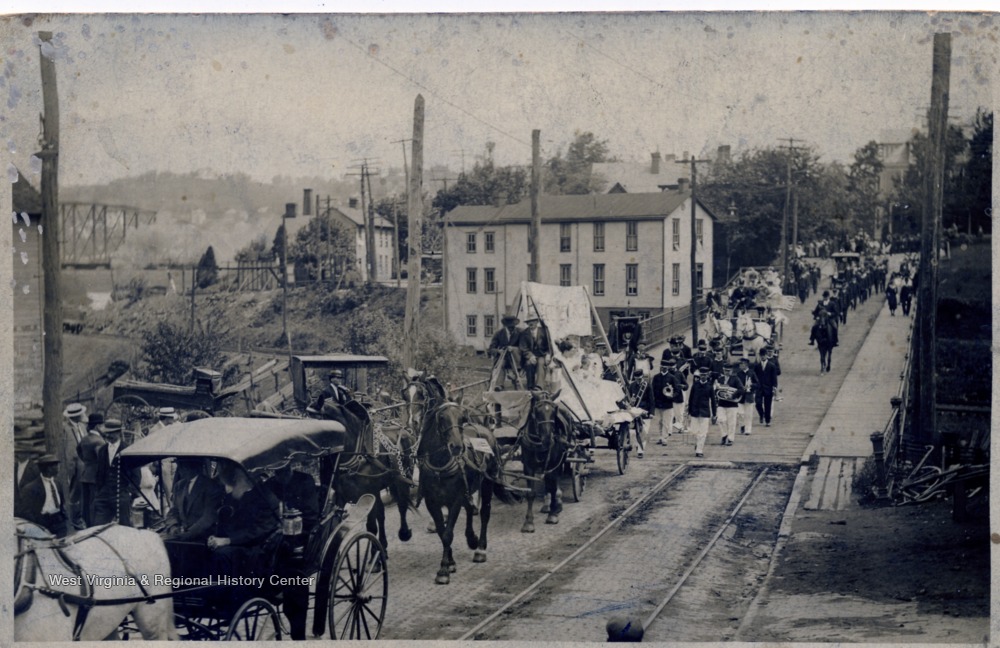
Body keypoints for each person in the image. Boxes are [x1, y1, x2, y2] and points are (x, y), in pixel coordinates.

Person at [266, 464, 320, 641]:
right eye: (277, 470)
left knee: (293, 567)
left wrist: (290, 523)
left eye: (283, 470)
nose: (280, 474)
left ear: (289, 467)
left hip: (301, 535)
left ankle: (298, 632)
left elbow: (312, 515)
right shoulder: (269, 485)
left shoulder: (305, 481)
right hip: (275, 534)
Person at [208, 460, 281, 579]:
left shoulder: (266, 498)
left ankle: (225, 594)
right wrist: (216, 538)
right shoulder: (247, 494)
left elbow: (257, 532)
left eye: (236, 479)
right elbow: (235, 524)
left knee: (221, 555)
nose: (233, 483)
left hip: (258, 549)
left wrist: (226, 540)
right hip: (244, 544)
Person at [160, 458, 225, 542]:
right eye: (180, 466)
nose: (179, 469)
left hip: (202, 536)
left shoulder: (211, 486)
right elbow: (173, 511)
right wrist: (173, 527)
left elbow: (208, 517)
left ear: (193, 467)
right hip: (180, 534)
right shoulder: (179, 486)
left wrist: (189, 533)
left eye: (182, 466)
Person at [90, 420, 141, 526]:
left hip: (121, 494)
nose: (108, 435)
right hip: (104, 495)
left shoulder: (128, 450)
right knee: (97, 527)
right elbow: (99, 473)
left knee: (124, 527)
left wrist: (130, 493)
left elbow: (136, 475)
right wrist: (99, 492)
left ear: (118, 432)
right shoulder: (102, 450)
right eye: (106, 433)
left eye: (111, 433)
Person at [15, 454, 69, 537]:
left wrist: (63, 516)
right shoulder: (31, 488)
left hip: (59, 522)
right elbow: (25, 511)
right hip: (43, 524)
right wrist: (38, 523)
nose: (58, 467)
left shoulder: (58, 484)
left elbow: (61, 503)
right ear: (47, 468)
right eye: (55, 465)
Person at [61, 403, 88, 531]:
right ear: (76, 416)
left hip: (83, 465)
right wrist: (69, 470)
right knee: (73, 493)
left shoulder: (82, 427)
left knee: (81, 492)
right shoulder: (65, 428)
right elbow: (68, 452)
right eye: (80, 414)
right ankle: (71, 519)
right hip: (73, 465)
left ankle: (78, 517)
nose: (83, 416)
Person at [77, 416, 107, 527]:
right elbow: (103, 459)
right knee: (95, 502)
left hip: (85, 474)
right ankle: (94, 527)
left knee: (86, 503)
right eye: (103, 425)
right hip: (96, 476)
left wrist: (87, 462)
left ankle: (87, 525)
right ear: (98, 426)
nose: (104, 428)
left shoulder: (84, 439)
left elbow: (78, 450)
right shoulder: (99, 441)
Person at [685, 367, 716, 458]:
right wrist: (689, 411)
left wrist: (714, 414)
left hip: (705, 412)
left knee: (703, 432)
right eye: (702, 375)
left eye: (705, 375)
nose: (703, 377)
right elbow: (691, 398)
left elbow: (713, 401)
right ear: (699, 375)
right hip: (694, 411)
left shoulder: (710, 386)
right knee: (694, 432)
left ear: (708, 375)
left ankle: (699, 450)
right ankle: (698, 443)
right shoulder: (695, 385)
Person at [488, 313, 524, 389]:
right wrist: (498, 351)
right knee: (500, 365)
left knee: (515, 351)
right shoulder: (498, 334)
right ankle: (499, 385)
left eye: (513, 326)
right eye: (509, 327)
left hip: (517, 360)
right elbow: (491, 349)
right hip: (503, 358)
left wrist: (514, 349)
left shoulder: (520, 333)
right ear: (505, 326)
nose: (511, 329)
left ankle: (517, 377)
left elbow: (524, 347)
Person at [713, 363, 745, 447]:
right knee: (720, 420)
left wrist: (733, 395)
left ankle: (730, 439)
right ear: (723, 370)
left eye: (729, 371)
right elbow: (716, 391)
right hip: (721, 403)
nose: (727, 372)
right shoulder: (720, 379)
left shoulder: (736, 379)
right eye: (725, 370)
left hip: (732, 404)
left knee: (731, 422)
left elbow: (742, 389)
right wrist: (716, 389)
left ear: (732, 371)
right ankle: (724, 435)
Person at [651, 360, 681, 446]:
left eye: (664, 367)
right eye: (661, 367)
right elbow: (652, 390)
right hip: (658, 403)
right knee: (659, 421)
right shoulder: (656, 377)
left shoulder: (671, 377)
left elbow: (677, 390)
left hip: (668, 403)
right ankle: (661, 437)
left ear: (667, 368)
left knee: (666, 422)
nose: (663, 368)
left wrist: (672, 396)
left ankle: (664, 438)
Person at [519, 317, 552, 390]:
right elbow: (523, 347)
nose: (531, 323)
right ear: (527, 323)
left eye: (533, 321)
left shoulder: (544, 331)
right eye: (529, 321)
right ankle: (530, 386)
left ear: (537, 322)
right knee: (529, 364)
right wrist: (530, 356)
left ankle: (539, 386)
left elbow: (549, 344)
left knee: (541, 363)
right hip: (531, 355)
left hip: (542, 355)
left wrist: (548, 354)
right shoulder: (524, 333)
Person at [753, 347, 780, 427]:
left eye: (764, 355)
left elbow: (774, 377)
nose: (762, 357)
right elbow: (754, 377)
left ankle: (768, 421)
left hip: (768, 387)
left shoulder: (771, 366)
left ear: (766, 355)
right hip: (759, 388)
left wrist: (774, 387)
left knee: (767, 404)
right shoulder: (757, 366)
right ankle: (762, 414)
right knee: (757, 403)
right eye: (761, 355)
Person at [734, 356, 758, 436]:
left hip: (749, 396)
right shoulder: (738, 373)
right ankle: (742, 425)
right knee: (740, 413)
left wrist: (751, 385)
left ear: (746, 365)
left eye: (742, 364)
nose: (740, 365)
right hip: (740, 396)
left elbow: (757, 384)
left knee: (749, 414)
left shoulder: (752, 373)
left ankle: (748, 429)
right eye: (740, 364)